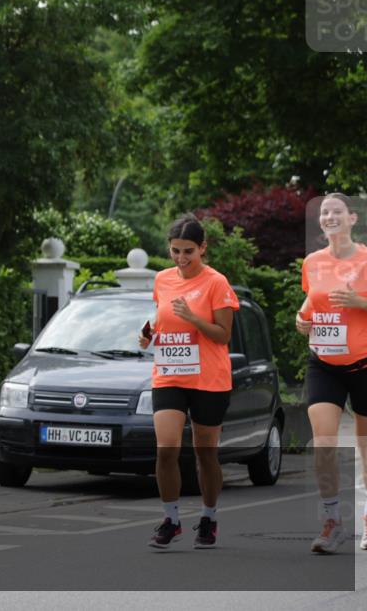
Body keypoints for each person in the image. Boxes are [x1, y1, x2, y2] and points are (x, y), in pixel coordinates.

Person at [139, 214, 239, 549]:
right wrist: (149, 335)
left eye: (188, 251)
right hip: (169, 374)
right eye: (175, 251)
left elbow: (223, 335)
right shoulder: (163, 279)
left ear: (202, 248)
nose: (181, 258)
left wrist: (194, 318)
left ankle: (209, 518)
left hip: (208, 379)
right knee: (166, 449)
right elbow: (162, 320)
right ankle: (171, 520)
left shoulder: (216, 283)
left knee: (205, 454)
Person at [295, 192, 367, 553]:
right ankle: (332, 522)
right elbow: (312, 300)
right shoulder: (313, 262)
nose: (329, 216)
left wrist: (360, 302)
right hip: (324, 364)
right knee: (324, 443)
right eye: (324, 212)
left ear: (352, 218)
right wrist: (301, 318)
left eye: (336, 211)